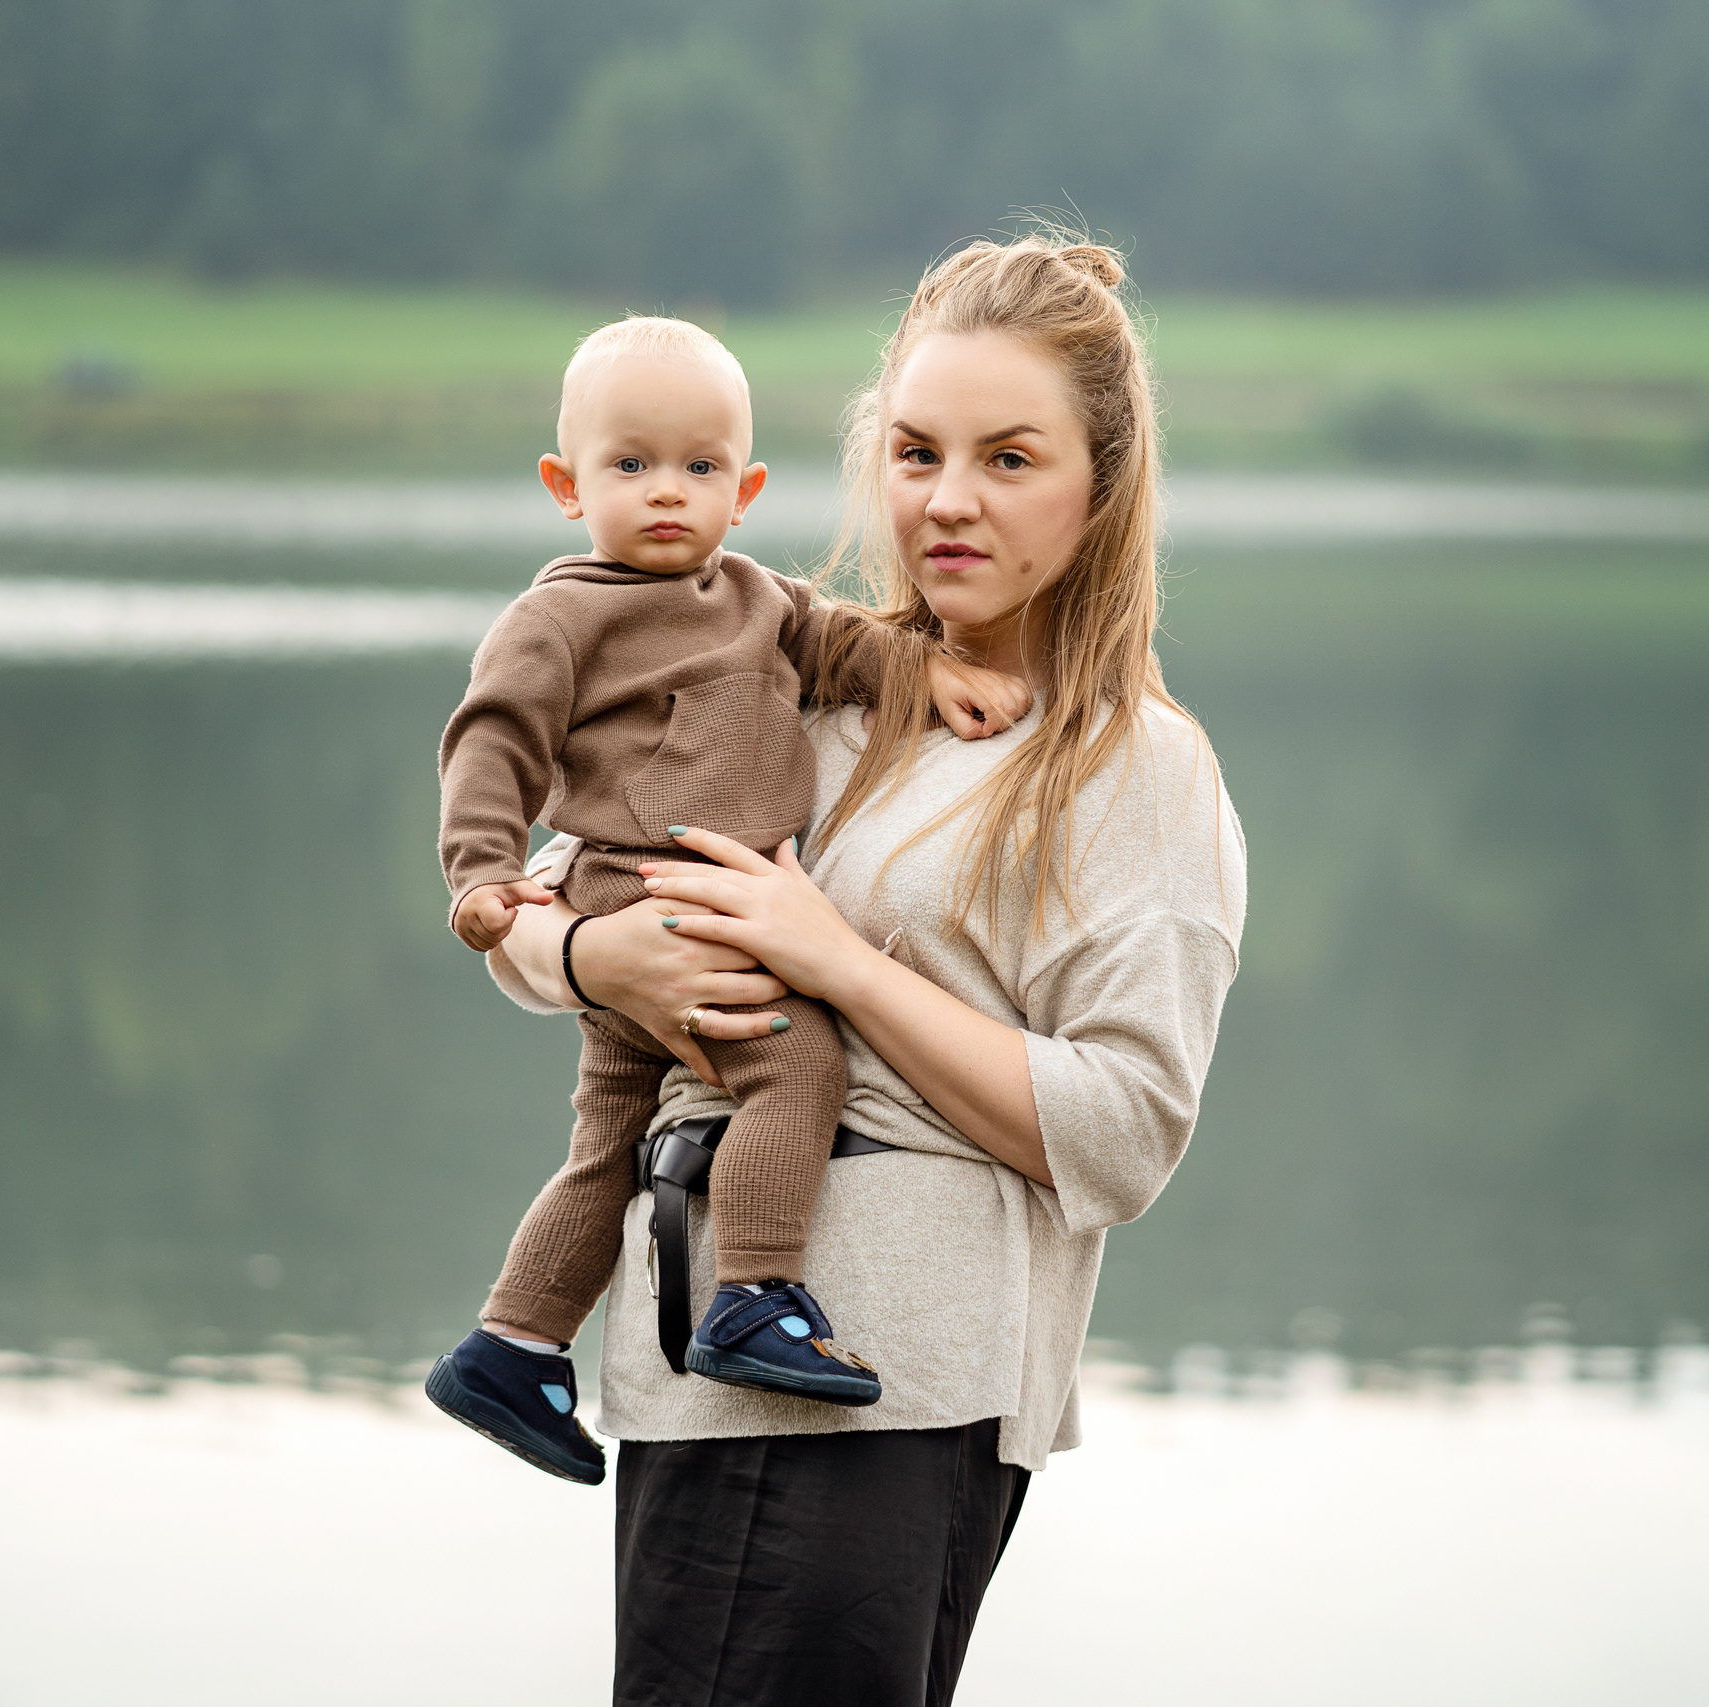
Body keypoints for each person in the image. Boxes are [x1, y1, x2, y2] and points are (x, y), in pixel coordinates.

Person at [487, 234, 1248, 1705]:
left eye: (1009, 458)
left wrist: (835, 959)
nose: (946, 499)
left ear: (1102, 487)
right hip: (693, 1375)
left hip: (882, 1389)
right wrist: (588, 949)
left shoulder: (1130, 768)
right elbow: (540, 906)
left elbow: (1127, 1130)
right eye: (916, 450)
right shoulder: (809, 685)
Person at [427, 315, 1031, 1484]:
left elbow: (847, 645)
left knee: (606, 1144)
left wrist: (935, 673)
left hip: (688, 898)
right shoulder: (560, 618)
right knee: (796, 1065)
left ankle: (511, 1344)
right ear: (565, 485)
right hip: (655, 890)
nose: (668, 494)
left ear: (745, 488)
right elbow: (490, 742)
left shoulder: (759, 599)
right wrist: (486, 875)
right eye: (630, 466)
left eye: (700, 469)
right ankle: (753, 1291)